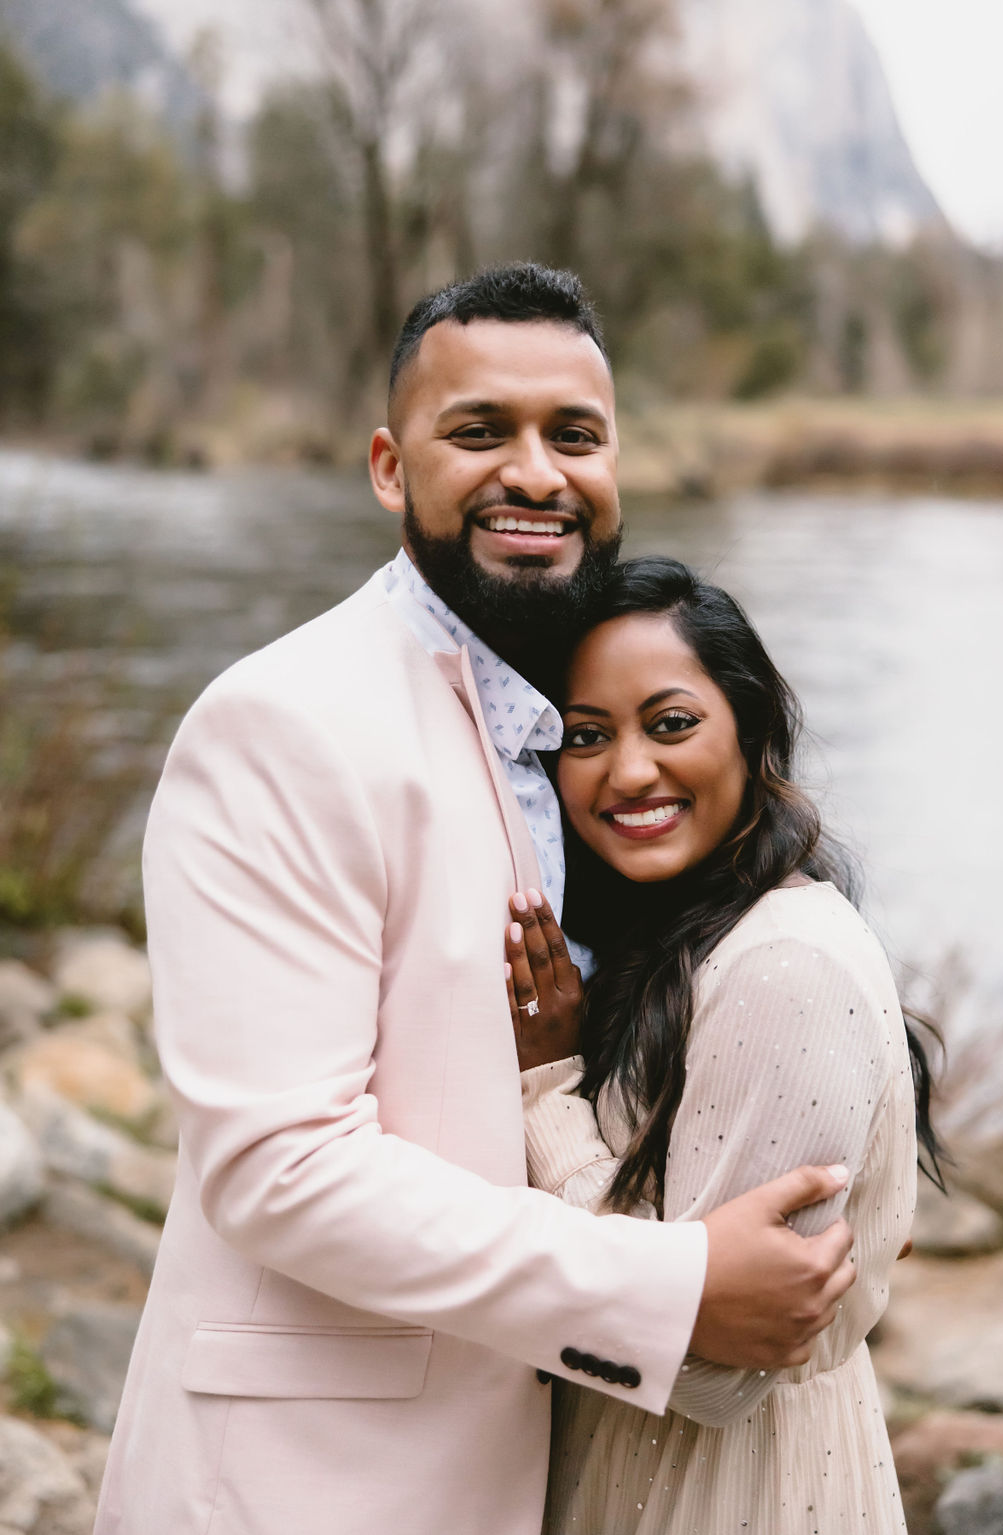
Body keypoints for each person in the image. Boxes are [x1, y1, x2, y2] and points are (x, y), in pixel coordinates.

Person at [94, 267, 857, 1535]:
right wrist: (670, 1286)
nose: (536, 472)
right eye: (479, 430)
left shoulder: (586, 722)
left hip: (551, 1462)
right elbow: (281, 1170)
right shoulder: (281, 723)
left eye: (573, 434)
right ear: (392, 467)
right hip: (316, 1483)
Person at [504, 556, 941, 1534]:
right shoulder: (669, 939)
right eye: (584, 735)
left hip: (733, 1488)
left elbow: (711, 1367)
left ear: (747, 728)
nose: (627, 770)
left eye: (670, 722)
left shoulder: (782, 965)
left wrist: (549, 1092)